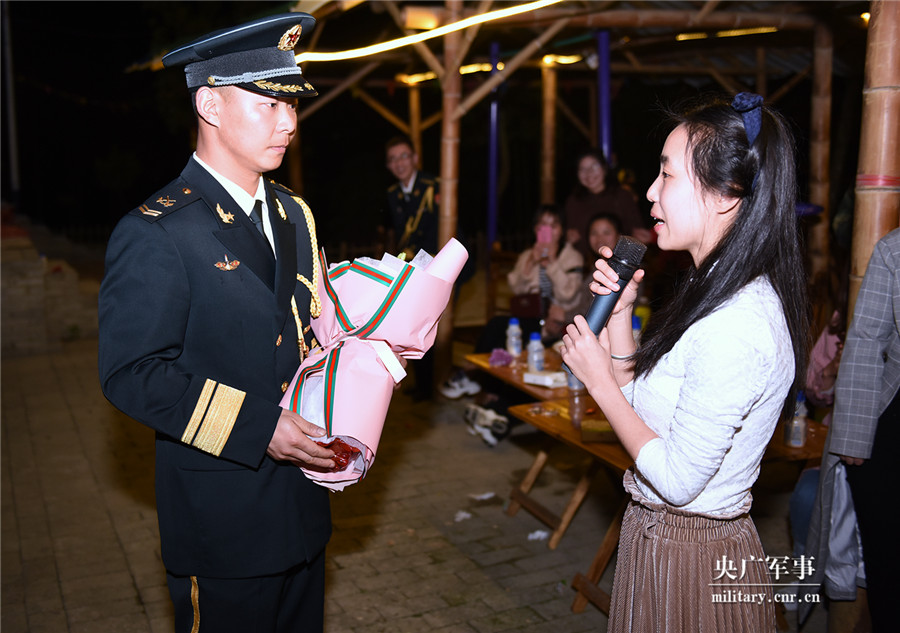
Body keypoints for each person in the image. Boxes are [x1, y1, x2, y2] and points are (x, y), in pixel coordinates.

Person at [98, 14, 339, 632]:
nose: (289, 122)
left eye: (292, 104)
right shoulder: (157, 231)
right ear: (210, 105)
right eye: (268, 104)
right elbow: (132, 373)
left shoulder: (293, 213)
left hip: (303, 507)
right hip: (223, 520)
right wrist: (259, 427)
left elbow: (306, 332)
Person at [560, 93, 808, 632]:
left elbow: (677, 480)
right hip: (660, 540)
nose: (650, 192)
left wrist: (598, 382)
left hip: (693, 559)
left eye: (667, 175)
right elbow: (644, 418)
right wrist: (620, 318)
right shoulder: (707, 288)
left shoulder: (740, 323)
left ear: (724, 196)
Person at [828, 227, 900, 632]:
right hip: (893, 415)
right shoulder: (893, 248)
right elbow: (867, 340)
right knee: (885, 558)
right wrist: (853, 437)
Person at [545, 212, 622, 340]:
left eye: (606, 232)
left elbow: (601, 310)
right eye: (594, 233)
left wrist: (565, 315)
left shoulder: (621, 270)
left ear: (619, 236)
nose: (599, 238)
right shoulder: (596, 265)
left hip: (610, 339)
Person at [563, 149, 652, 259]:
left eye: (594, 167)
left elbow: (638, 232)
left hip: (620, 260)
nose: (588, 173)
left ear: (604, 169)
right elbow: (568, 237)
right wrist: (568, 239)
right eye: (583, 169)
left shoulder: (622, 196)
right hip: (584, 262)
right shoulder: (573, 201)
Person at [383, 135, 439, 261]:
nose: (399, 164)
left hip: (436, 261)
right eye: (393, 159)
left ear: (415, 158)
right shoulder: (392, 194)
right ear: (388, 165)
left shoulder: (433, 187)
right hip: (410, 261)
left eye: (404, 156)